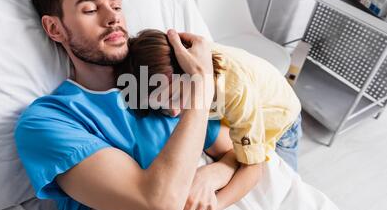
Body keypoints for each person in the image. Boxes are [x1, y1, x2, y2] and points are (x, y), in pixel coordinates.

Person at [15, 0, 246, 210]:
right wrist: (202, 86)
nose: (112, 17)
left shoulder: (164, 76)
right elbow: (161, 205)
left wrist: (209, 177)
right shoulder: (47, 121)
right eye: (89, 10)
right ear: (54, 28)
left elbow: (244, 156)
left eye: (116, 5)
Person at [119, 29, 302, 199]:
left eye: (178, 96)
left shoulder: (232, 89)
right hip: (239, 104)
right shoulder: (165, 66)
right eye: (161, 106)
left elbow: (252, 166)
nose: (173, 111)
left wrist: (215, 204)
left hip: (281, 120)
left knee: (284, 189)